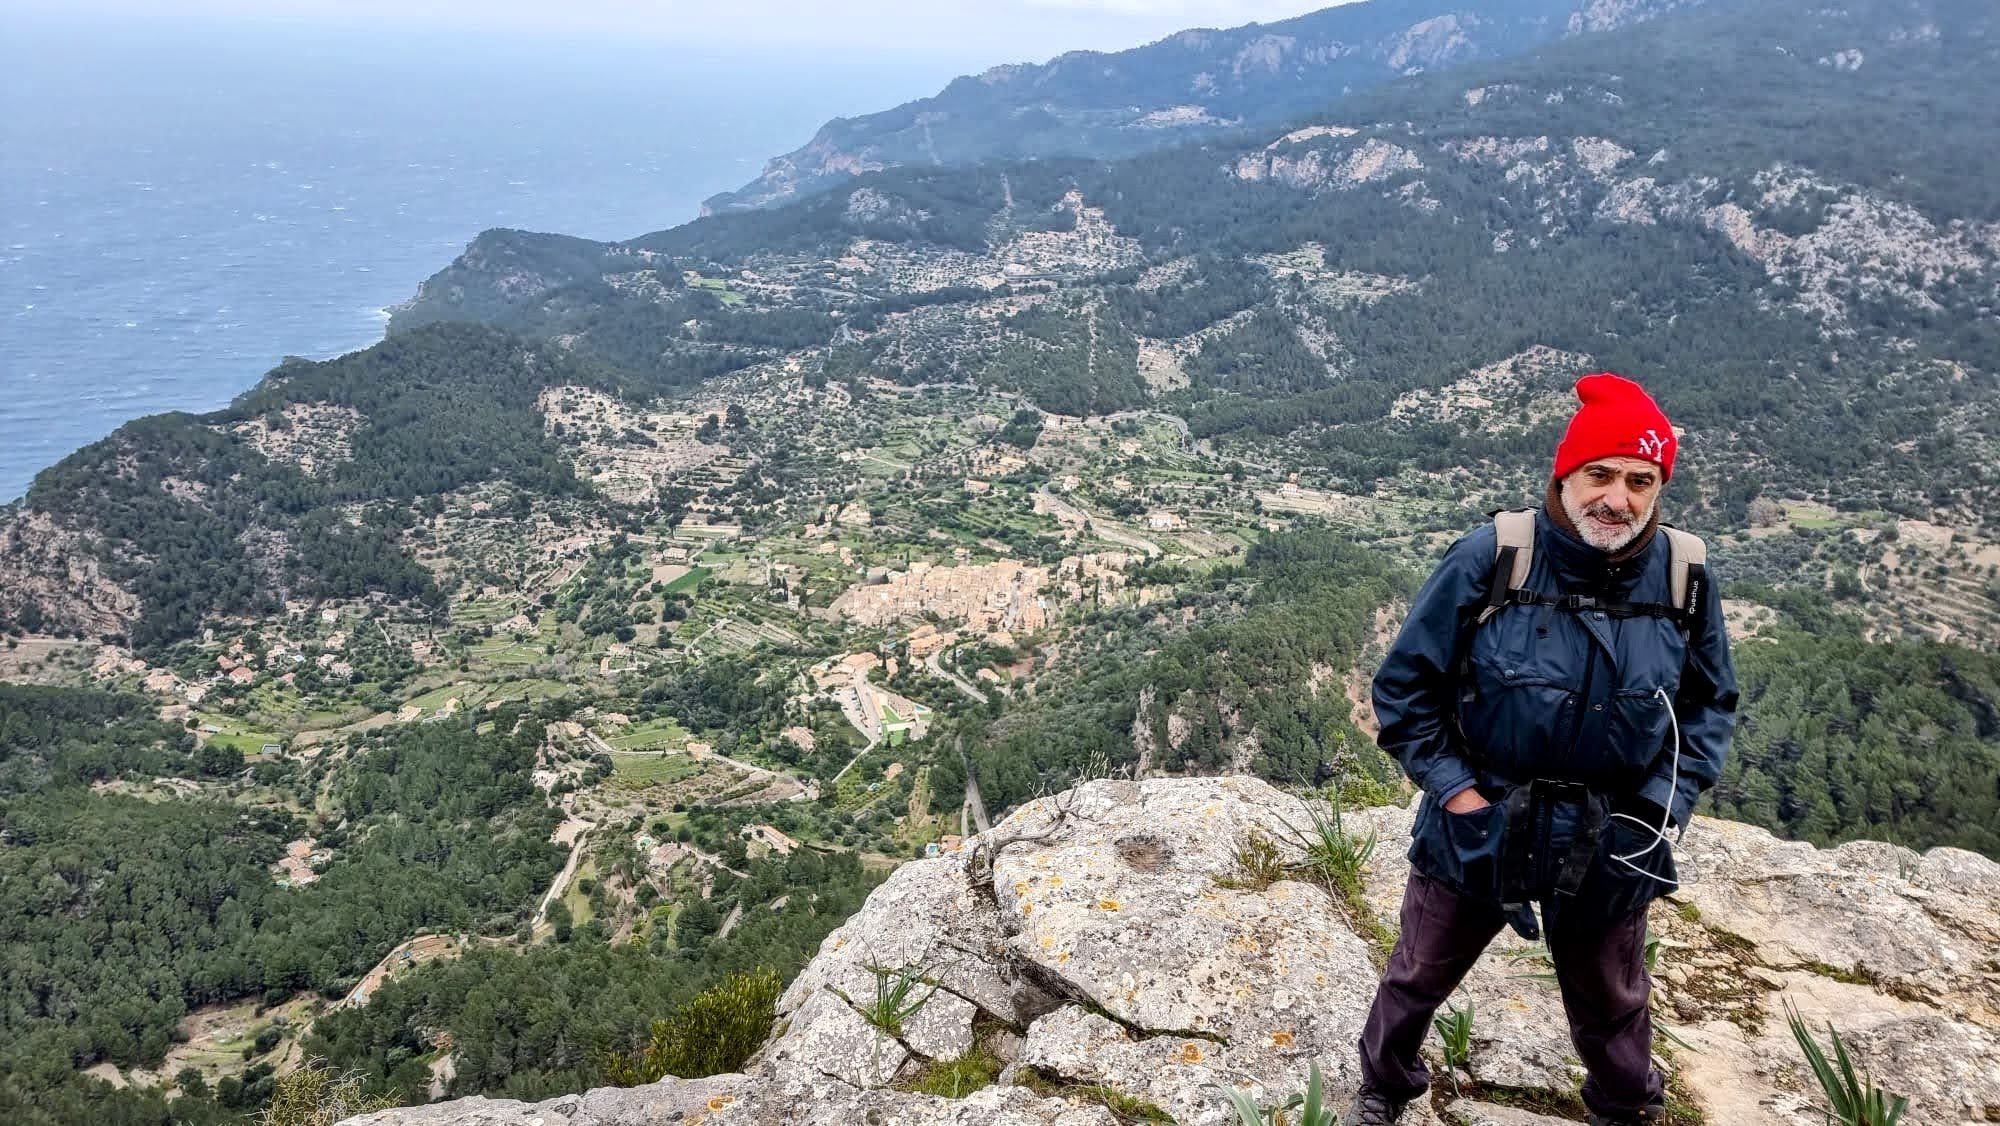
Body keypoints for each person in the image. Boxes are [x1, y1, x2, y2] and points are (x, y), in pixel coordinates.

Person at [1343, 373, 1738, 1126]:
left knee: (1614, 1001)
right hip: (1482, 815)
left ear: (1659, 489)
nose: (1616, 497)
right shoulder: (1495, 556)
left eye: (1639, 480)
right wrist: (1458, 795)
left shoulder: (1685, 575)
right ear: (1566, 473)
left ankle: (1628, 1109)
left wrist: (1661, 809)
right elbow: (1404, 689)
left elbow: (1708, 704)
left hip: (1613, 831)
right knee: (1419, 973)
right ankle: (1384, 1088)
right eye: (1600, 474)